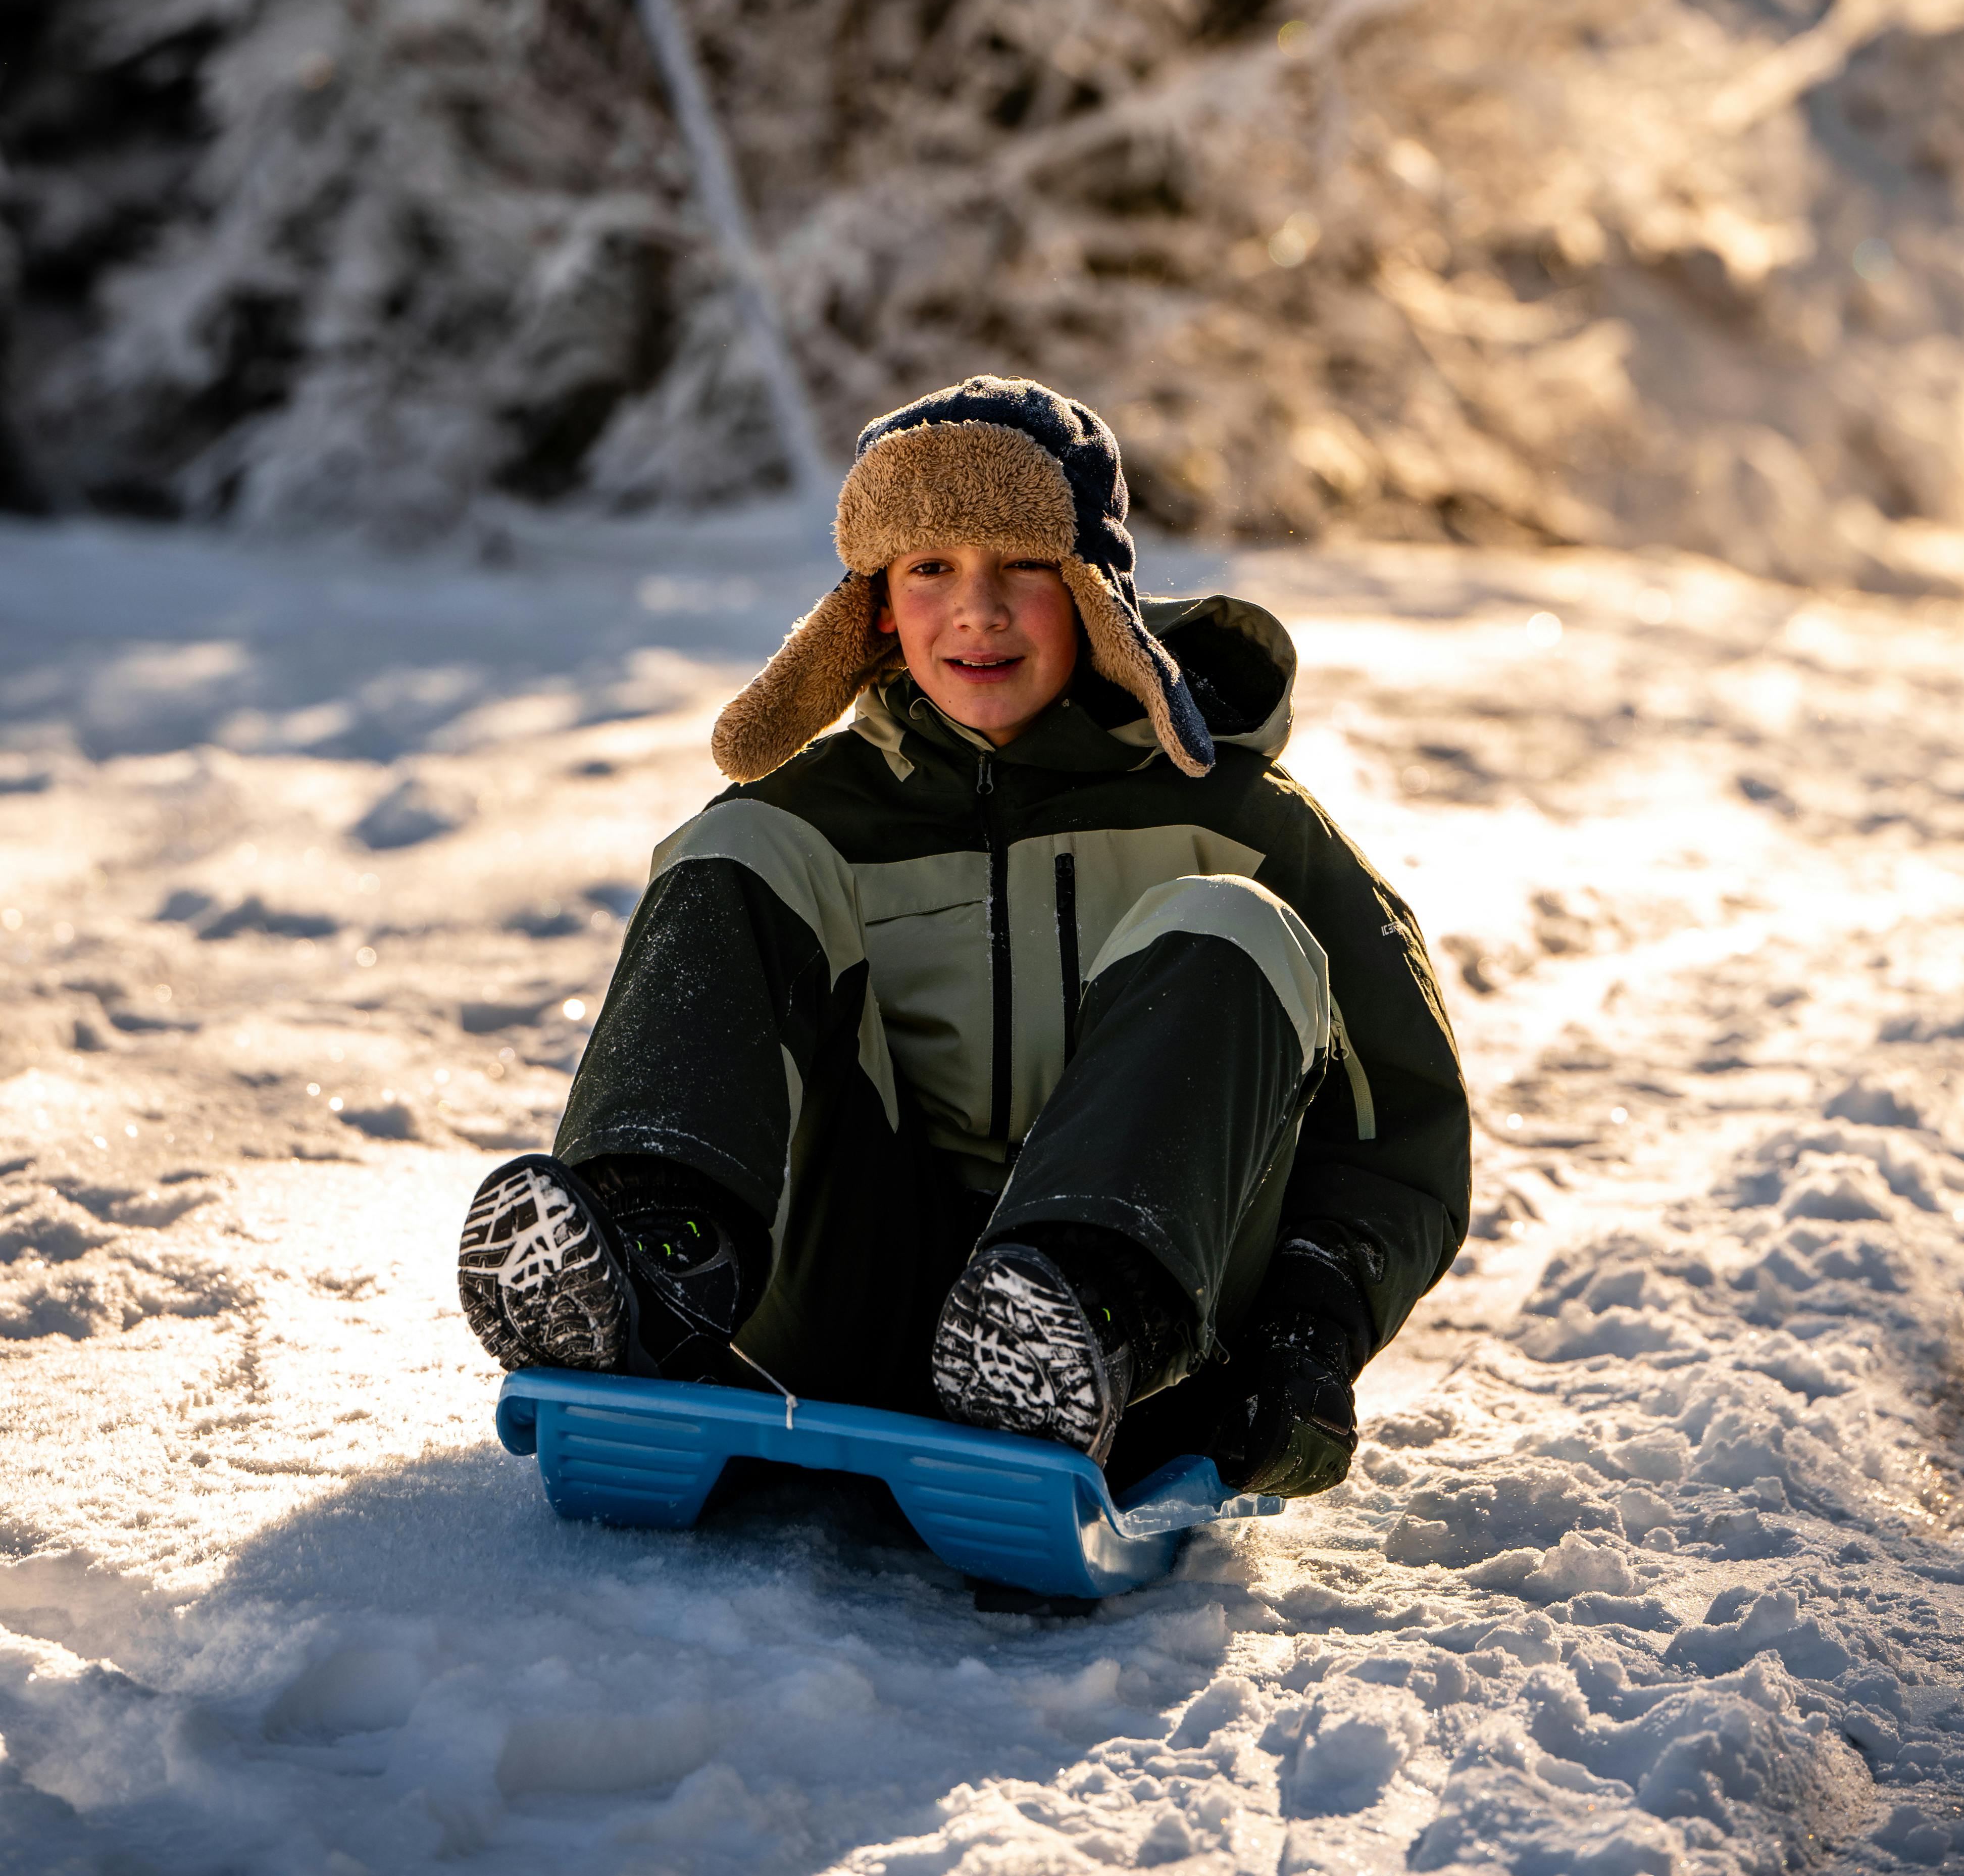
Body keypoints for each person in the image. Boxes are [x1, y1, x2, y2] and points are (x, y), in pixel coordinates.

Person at [457, 376, 1470, 1496]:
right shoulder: (816, 818)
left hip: (1134, 1363)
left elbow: (1400, 1127)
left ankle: (1073, 1314)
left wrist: (1313, 1327)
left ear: (1096, 597)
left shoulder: (1244, 823)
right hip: (843, 1308)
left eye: (1022, 566)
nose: (975, 611)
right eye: (930, 569)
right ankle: (657, 1274)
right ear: (878, 608)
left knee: (1228, 918)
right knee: (734, 850)